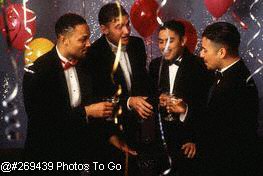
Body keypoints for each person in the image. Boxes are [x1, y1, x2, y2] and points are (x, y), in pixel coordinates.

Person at [23, 13, 134, 165]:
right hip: (49, 156)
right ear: (64, 39)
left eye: (88, 38)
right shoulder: (37, 71)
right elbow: (42, 121)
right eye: (83, 39)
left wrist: (111, 136)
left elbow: (96, 102)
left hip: (82, 153)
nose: (89, 43)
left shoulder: (88, 64)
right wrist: (86, 112)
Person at [173, 22, 259, 176]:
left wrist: (199, 144)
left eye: (205, 50)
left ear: (221, 52)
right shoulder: (231, 73)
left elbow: (223, 136)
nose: (201, 54)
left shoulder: (236, 85)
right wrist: (185, 109)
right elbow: (217, 120)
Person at [85, 2, 155, 175]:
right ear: (104, 29)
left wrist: (154, 98)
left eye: (127, 24)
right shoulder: (92, 54)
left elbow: (143, 84)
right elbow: (96, 97)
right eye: (119, 27)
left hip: (137, 129)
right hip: (107, 134)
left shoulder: (137, 45)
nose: (127, 31)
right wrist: (130, 102)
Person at [149, 20, 212, 176]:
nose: (164, 46)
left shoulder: (201, 66)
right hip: (161, 142)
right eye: (161, 41)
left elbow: (208, 107)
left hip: (188, 143)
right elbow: (151, 94)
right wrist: (159, 98)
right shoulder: (155, 65)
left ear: (183, 41)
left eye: (170, 41)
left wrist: (195, 140)